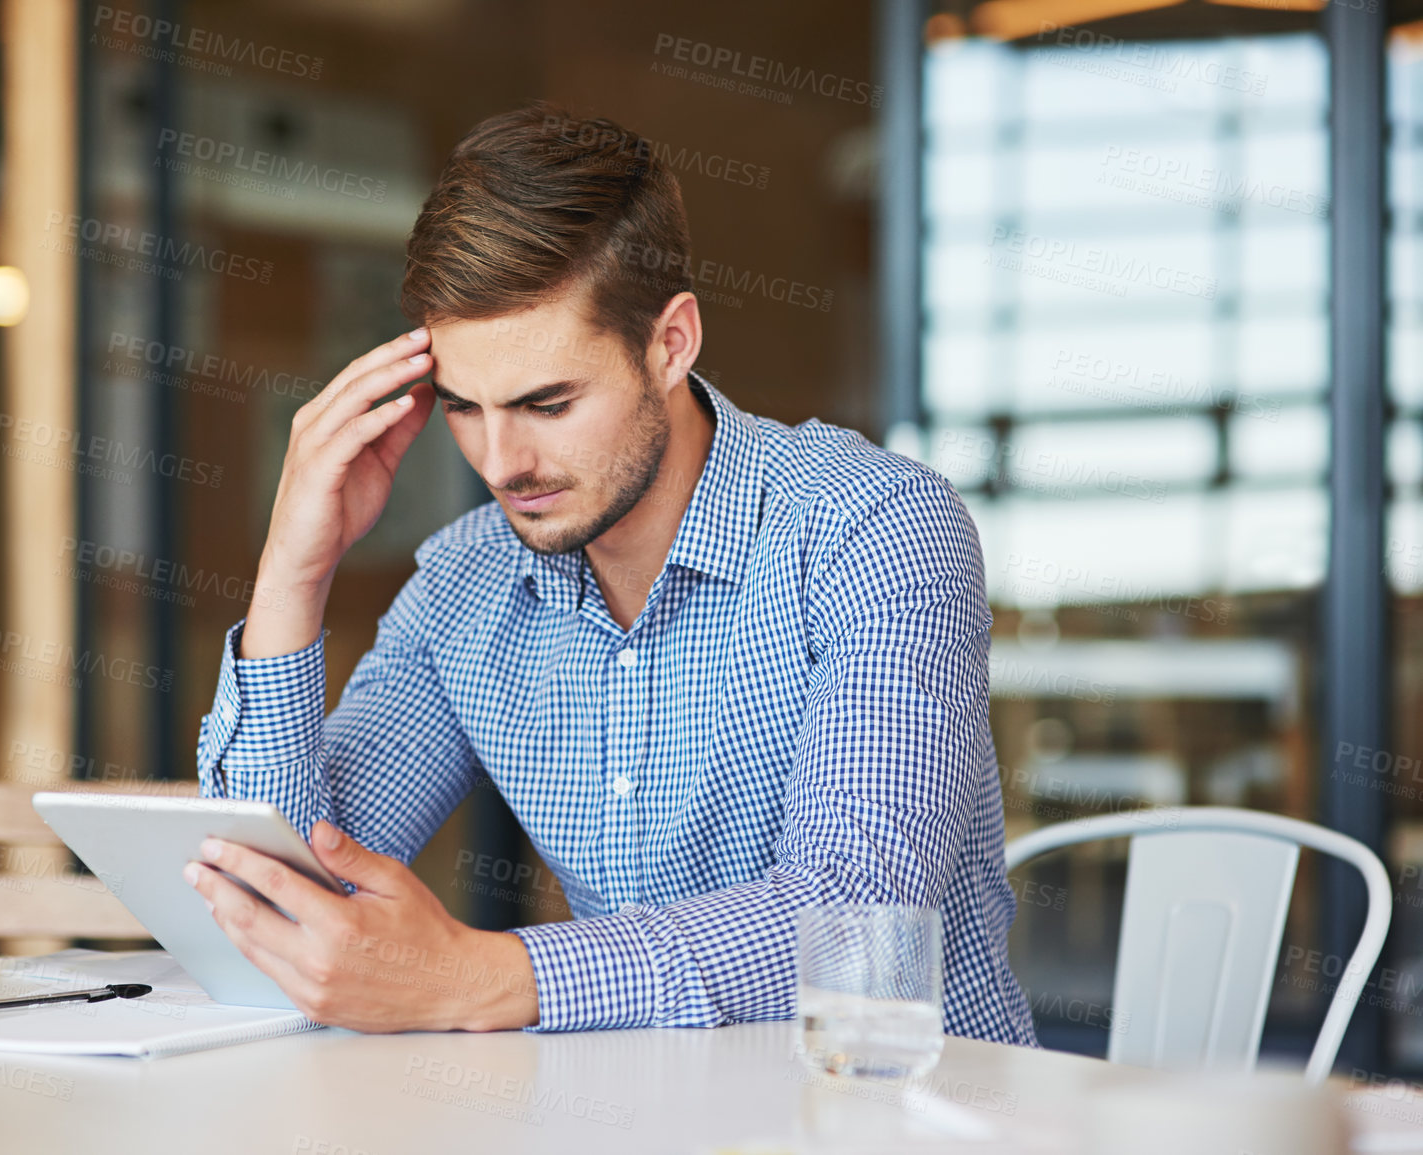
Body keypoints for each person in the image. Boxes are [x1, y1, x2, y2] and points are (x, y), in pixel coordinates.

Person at [185, 101, 1037, 1044]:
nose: (501, 462)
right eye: (463, 407)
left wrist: (486, 976)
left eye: (546, 402)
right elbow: (287, 899)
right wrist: (294, 570)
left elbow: (853, 909)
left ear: (670, 343)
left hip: (905, 1119)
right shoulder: (465, 583)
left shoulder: (872, 527)